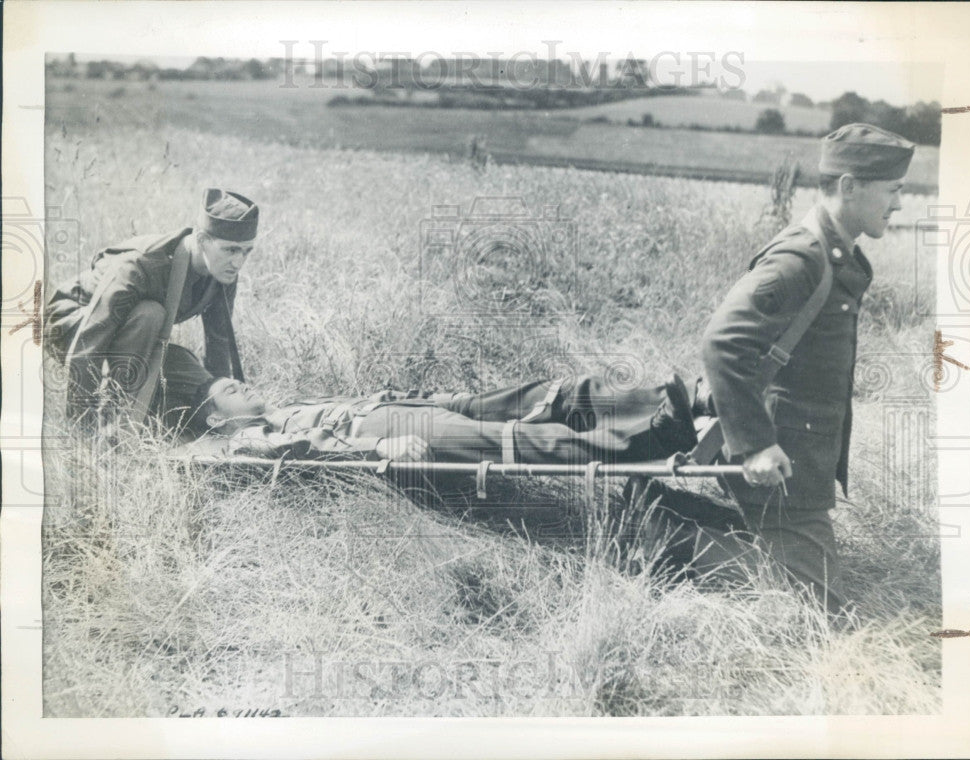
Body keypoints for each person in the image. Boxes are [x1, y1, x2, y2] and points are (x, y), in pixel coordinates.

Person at [699, 123, 914, 613]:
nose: (899, 204)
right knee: (820, 608)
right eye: (894, 190)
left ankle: (683, 520)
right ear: (849, 186)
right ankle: (654, 526)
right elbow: (722, 342)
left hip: (800, 458)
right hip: (780, 459)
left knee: (815, 593)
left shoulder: (833, 253)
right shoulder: (803, 257)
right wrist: (754, 445)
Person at [45, 188, 258, 427]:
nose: (239, 262)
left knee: (191, 376)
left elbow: (219, 342)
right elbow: (88, 344)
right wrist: (83, 428)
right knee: (150, 314)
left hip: (129, 334)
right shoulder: (141, 264)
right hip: (72, 323)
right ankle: (115, 415)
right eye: (230, 249)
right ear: (201, 240)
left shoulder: (224, 271)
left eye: (246, 251)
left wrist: (222, 408)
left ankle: (144, 409)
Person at [187, 373, 699, 466]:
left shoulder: (288, 404)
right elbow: (304, 452)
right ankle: (656, 436)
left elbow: (367, 395)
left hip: (404, 408)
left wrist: (443, 397)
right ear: (215, 420)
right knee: (517, 441)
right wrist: (376, 451)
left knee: (548, 395)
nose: (244, 385)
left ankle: (670, 401)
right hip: (384, 433)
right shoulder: (248, 439)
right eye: (231, 391)